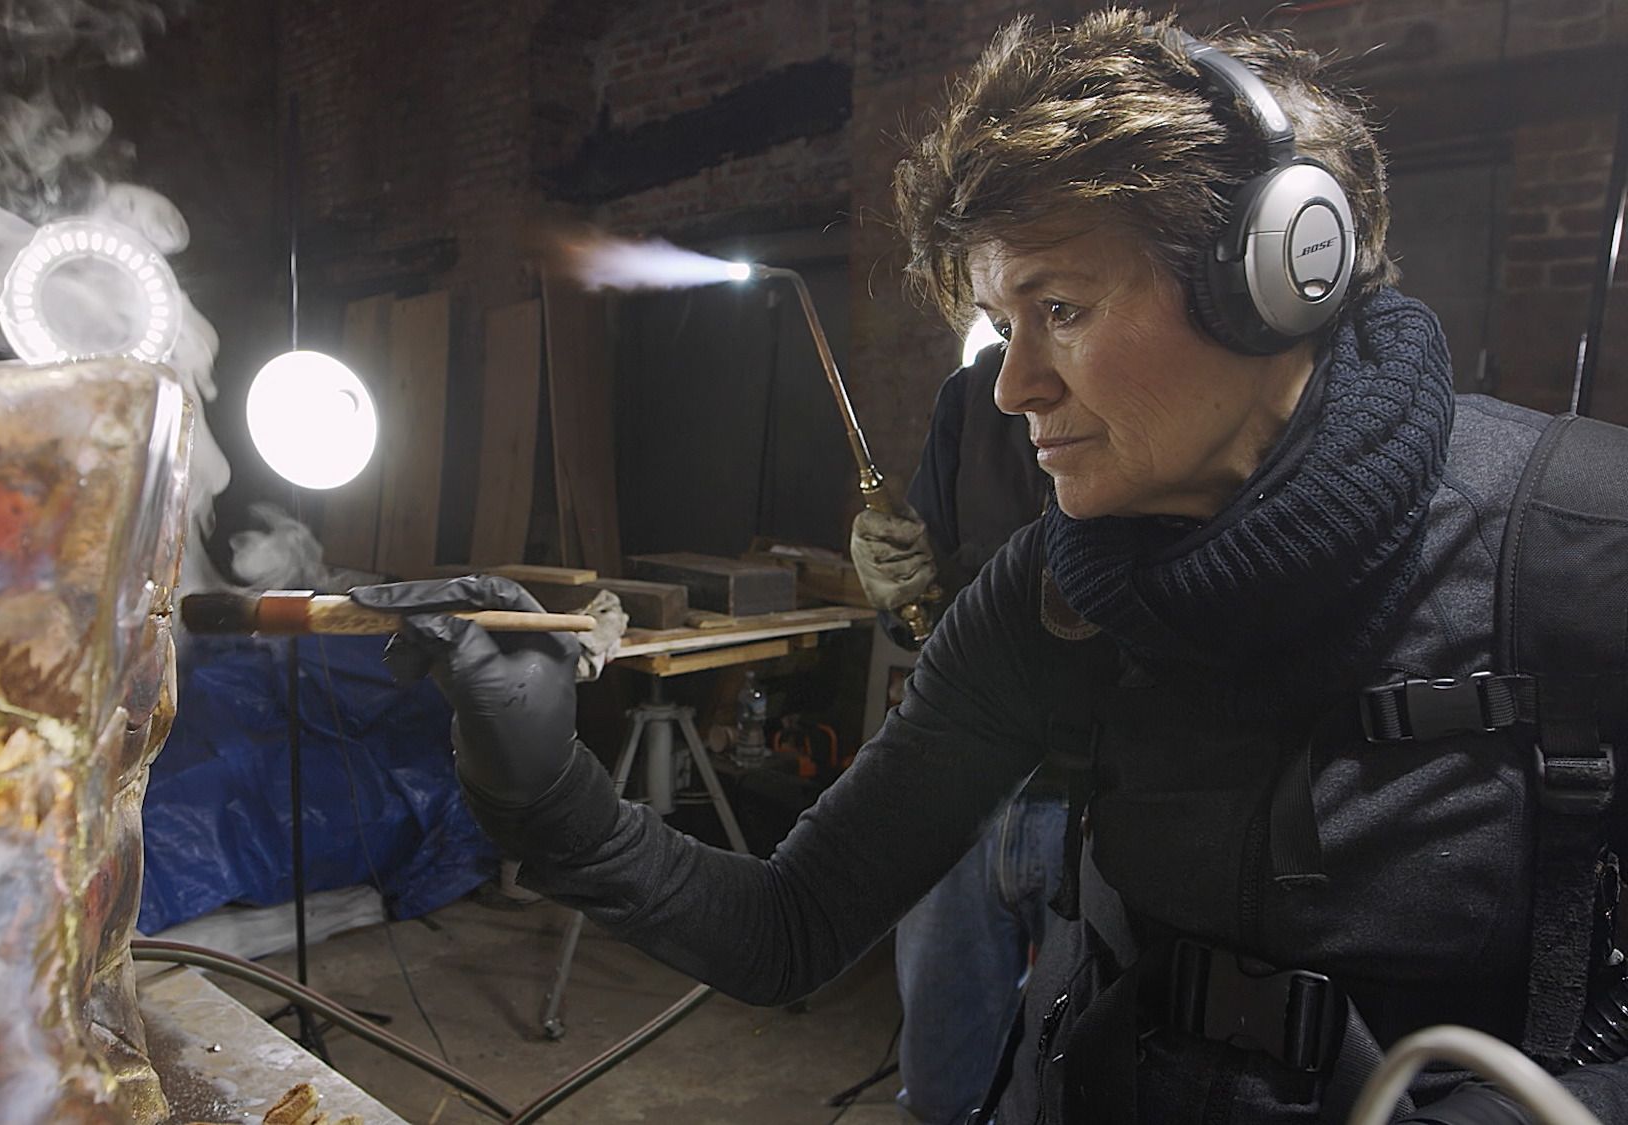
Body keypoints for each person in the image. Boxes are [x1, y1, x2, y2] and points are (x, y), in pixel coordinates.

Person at [354, 11, 1628, 1121]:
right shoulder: (1052, 598)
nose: (1012, 386)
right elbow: (788, 927)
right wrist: (544, 794)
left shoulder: (1581, 548)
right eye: (999, 322)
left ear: (1273, 281)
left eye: (1058, 309)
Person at [849, 348, 1061, 1123]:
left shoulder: (1146, 384)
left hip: (1094, 798)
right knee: (943, 1087)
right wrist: (898, 580)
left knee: (1084, 1079)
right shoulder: (973, 396)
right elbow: (918, 603)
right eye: (1003, 316)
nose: (1021, 363)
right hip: (959, 792)